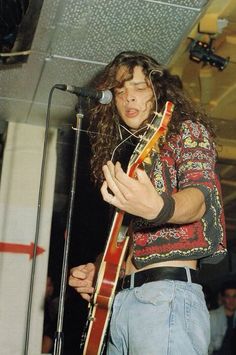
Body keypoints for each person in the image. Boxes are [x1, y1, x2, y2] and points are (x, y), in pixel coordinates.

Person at [69, 51, 226, 354]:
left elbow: (198, 198)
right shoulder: (133, 159)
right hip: (121, 301)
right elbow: (129, 238)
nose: (129, 98)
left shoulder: (186, 131)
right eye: (120, 91)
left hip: (165, 297)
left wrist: (159, 208)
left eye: (139, 88)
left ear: (159, 91)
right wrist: (101, 270)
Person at [209, 281, 236, 355]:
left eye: (234, 296)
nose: (231, 300)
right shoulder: (212, 317)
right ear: (223, 298)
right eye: (228, 296)